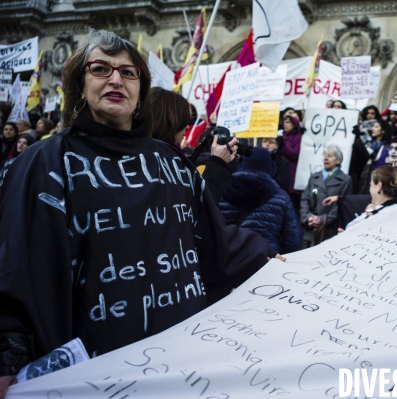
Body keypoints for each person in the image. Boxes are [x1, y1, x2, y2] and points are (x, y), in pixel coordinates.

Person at [0, 29, 281, 394]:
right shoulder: (42, 163)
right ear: (78, 85)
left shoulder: (169, 161)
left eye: (129, 72)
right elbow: (12, 268)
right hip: (90, 375)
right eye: (100, 69)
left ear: (140, 88)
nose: (116, 79)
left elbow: (216, 243)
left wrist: (268, 257)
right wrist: (8, 355)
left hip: (176, 367)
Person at [149, 87, 237, 203]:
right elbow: (194, 208)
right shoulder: (154, 162)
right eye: (183, 120)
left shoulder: (167, 157)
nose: (187, 127)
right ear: (168, 121)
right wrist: (217, 163)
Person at [218, 147, 301, 255]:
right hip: (267, 260)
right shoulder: (281, 197)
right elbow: (293, 240)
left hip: (231, 259)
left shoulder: (222, 191)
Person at [300, 143, 352, 246]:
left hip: (329, 230)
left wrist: (323, 220)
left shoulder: (346, 180)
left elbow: (343, 204)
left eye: (330, 156)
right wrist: (308, 217)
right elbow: (305, 199)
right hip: (309, 229)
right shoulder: (314, 177)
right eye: (324, 155)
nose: (326, 158)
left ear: (338, 160)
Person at [345, 166, 397, 230]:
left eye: (371, 185)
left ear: (379, 186)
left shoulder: (389, 213)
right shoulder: (386, 209)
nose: (369, 189)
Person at [280, 115, 302, 208]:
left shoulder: (298, 137)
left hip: (292, 171)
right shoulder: (281, 136)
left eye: (288, 122)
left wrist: (282, 145)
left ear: (294, 124)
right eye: (284, 122)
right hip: (280, 170)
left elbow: (295, 154)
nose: (285, 124)